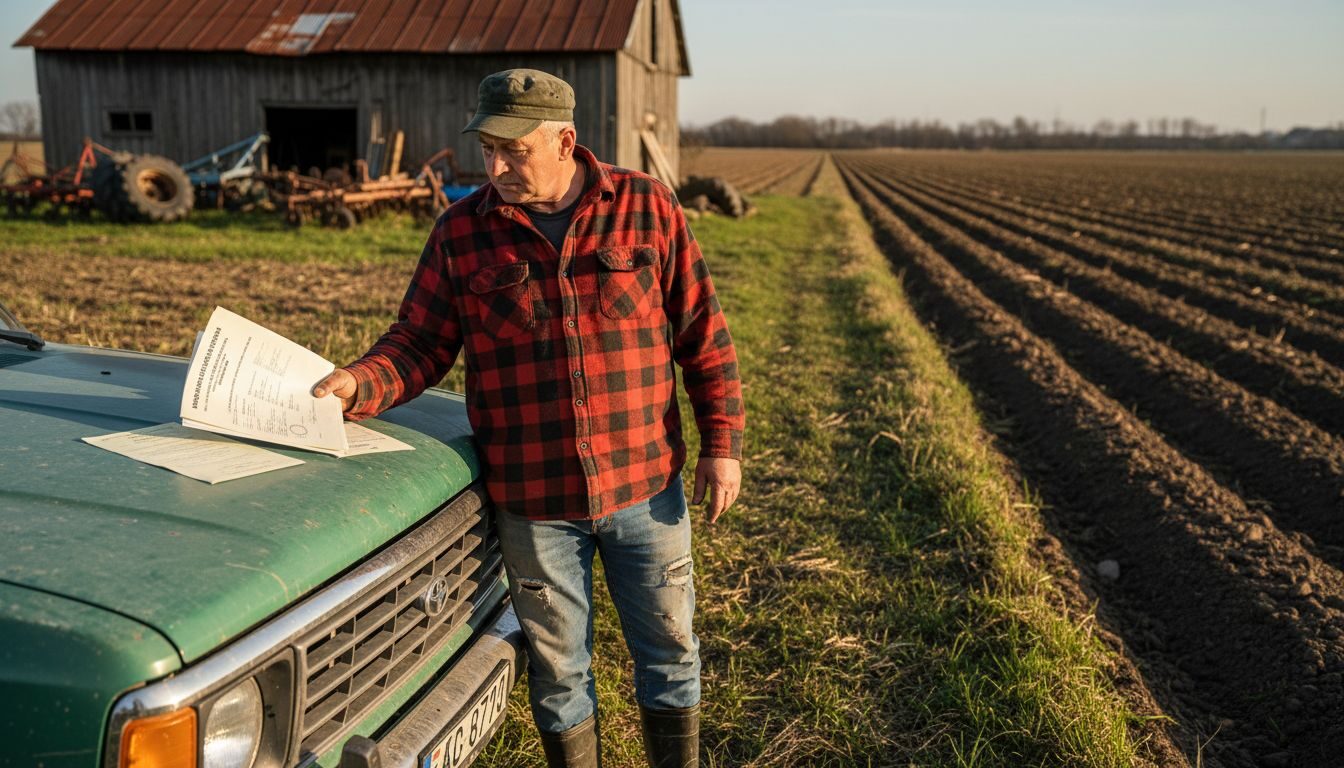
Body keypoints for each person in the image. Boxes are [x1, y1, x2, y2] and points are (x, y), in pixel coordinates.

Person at [313, 68, 744, 768]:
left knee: (669, 649)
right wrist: (356, 385)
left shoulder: (646, 207)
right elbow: (420, 343)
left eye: (515, 150)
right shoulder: (461, 232)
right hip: (536, 504)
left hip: (645, 487)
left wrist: (721, 444)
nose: (498, 166)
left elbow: (702, 332)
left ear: (566, 140)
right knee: (559, 670)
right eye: (489, 148)